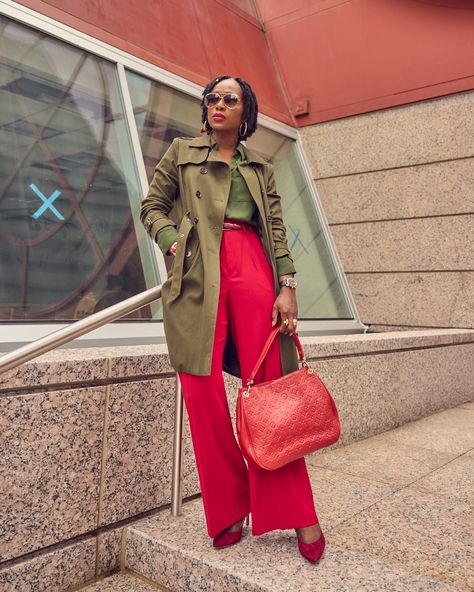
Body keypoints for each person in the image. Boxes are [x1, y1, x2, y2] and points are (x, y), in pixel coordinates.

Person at [140, 75, 325, 563]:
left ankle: (299, 512)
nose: (218, 105)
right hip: (198, 272)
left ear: (247, 112)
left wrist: (288, 286)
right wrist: (169, 240)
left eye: (230, 99)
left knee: (268, 393)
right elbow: (152, 206)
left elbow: (278, 230)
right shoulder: (181, 152)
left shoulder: (260, 167)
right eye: (212, 97)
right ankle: (227, 506)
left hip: (251, 268)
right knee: (201, 393)